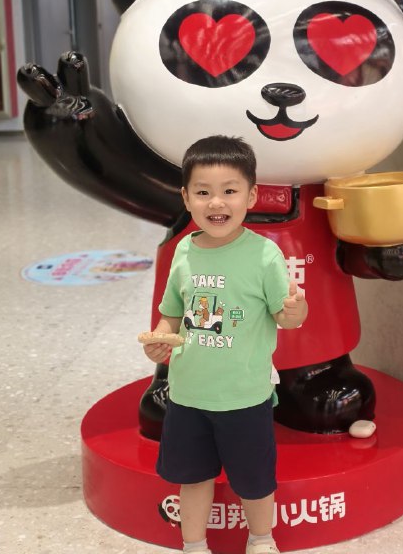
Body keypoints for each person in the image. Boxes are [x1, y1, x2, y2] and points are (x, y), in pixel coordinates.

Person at [143, 135, 308, 554]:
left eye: (229, 191)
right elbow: (172, 313)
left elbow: (287, 316)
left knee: (254, 481)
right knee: (192, 477)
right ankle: (194, 544)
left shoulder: (265, 255)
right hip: (188, 395)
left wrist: (295, 310)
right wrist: (160, 339)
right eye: (203, 192)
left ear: (251, 196)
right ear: (186, 197)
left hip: (245, 396)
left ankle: (262, 540)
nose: (216, 203)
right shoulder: (184, 250)